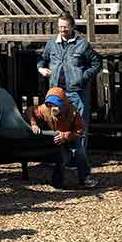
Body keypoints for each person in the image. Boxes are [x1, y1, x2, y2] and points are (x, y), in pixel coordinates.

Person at [37, 13, 102, 168]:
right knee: (58, 124)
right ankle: (63, 159)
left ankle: (78, 160)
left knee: (79, 125)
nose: (62, 30)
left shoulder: (82, 44)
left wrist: (82, 77)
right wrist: (41, 68)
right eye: (59, 27)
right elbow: (42, 59)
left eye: (65, 27)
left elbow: (97, 63)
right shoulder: (52, 43)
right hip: (57, 93)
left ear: (73, 27)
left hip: (76, 91)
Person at [25, 88, 90, 189]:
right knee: (63, 158)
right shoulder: (44, 109)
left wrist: (65, 136)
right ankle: (57, 182)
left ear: (63, 104)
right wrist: (33, 124)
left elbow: (80, 130)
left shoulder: (73, 111)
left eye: (56, 105)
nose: (53, 108)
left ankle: (85, 178)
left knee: (80, 153)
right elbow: (30, 110)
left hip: (71, 137)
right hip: (57, 139)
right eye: (50, 105)